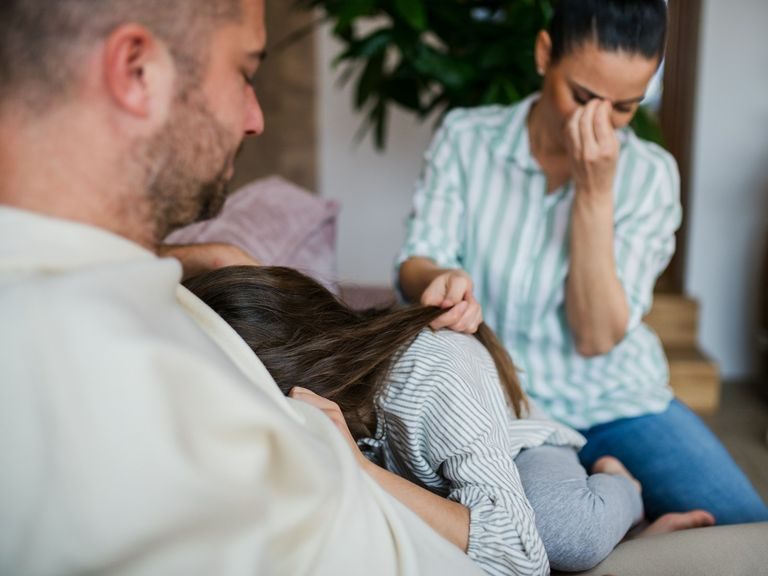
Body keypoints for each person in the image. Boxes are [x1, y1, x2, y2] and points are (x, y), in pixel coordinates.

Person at [0, 1, 485, 575]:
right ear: (137, 71)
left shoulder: (85, 278)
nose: (254, 118)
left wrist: (175, 259)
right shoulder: (120, 400)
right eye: (244, 72)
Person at [396, 0, 768, 524]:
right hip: (504, 401)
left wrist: (594, 195)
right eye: (584, 96)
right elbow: (415, 261)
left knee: (746, 527)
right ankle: (634, 525)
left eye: (625, 107)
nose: (601, 122)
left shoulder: (651, 175)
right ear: (545, 53)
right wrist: (440, 277)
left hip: (617, 401)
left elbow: (595, 336)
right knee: (528, 528)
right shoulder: (467, 139)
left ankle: (626, 515)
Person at [184, 264, 714, 574]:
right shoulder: (317, 389)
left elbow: (518, 556)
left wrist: (361, 470)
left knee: (563, 531)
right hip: (447, 483)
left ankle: (625, 490)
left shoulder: (432, 374)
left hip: (520, 450)